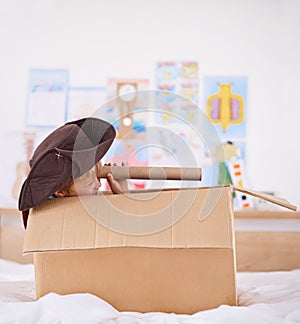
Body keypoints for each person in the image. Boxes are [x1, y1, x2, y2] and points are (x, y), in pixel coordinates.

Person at [18, 117, 127, 228]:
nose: (99, 184)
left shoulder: (80, 203)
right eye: (90, 183)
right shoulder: (55, 221)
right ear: (60, 191)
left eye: (98, 178)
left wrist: (121, 196)